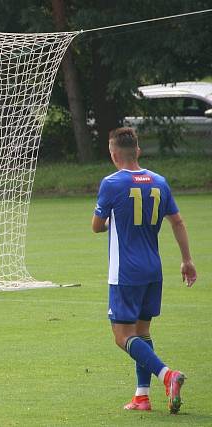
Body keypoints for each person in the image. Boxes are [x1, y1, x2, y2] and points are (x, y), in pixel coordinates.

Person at [92, 127, 197, 414]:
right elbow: (177, 222)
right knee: (142, 331)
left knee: (121, 336)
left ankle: (167, 375)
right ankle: (142, 397)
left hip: (125, 271)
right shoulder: (160, 182)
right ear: (138, 151)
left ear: (113, 154)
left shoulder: (111, 183)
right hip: (153, 269)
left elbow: (96, 226)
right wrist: (187, 260)